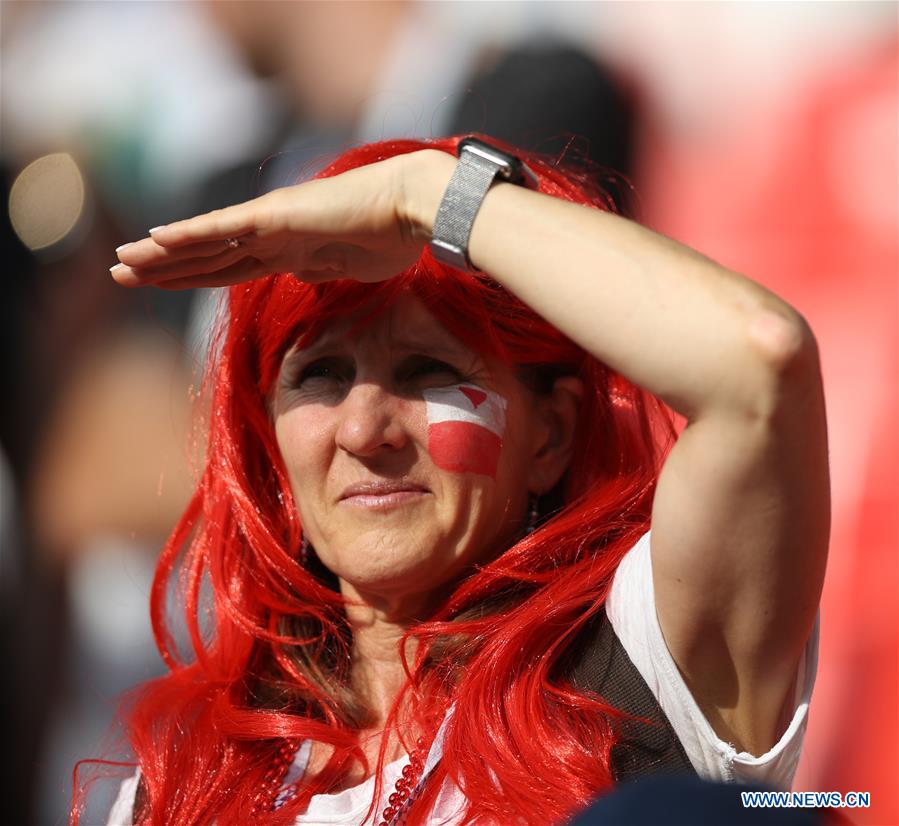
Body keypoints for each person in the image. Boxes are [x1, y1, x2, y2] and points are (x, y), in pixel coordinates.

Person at [90, 134, 828, 825]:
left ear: (551, 433)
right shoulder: (178, 785)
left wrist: (430, 193)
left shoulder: (648, 659)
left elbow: (756, 365)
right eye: (320, 374)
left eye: (429, 371)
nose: (363, 431)